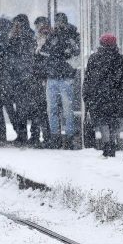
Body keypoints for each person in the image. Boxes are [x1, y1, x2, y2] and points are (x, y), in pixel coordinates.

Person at [83, 33, 123, 157]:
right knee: (114, 121)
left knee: (103, 121)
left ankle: (107, 145)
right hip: (116, 95)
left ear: (100, 44)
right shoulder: (121, 59)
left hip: (99, 95)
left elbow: (88, 79)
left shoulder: (94, 58)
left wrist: (86, 95)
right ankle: (112, 143)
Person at [41, 12, 81, 149]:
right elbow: (44, 51)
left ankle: (68, 137)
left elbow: (76, 52)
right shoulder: (52, 35)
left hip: (65, 76)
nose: (59, 25)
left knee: (67, 108)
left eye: (61, 22)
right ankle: (55, 136)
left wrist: (64, 45)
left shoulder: (73, 34)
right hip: (53, 76)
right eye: (57, 22)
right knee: (52, 108)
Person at [5, 14, 36, 145]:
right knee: (18, 107)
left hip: (26, 76)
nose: (15, 26)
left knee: (25, 108)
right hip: (17, 77)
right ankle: (22, 133)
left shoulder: (28, 36)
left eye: (17, 24)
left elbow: (26, 55)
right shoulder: (14, 37)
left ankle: (26, 134)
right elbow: (9, 53)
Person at [29, 16, 52, 147]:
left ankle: (47, 135)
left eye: (42, 26)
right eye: (38, 26)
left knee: (45, 108)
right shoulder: (34, 41)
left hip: (46, 77)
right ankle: (35, 135)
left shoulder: (51, 40)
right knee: (35, 108)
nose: (40, 29)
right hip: (35, 77)